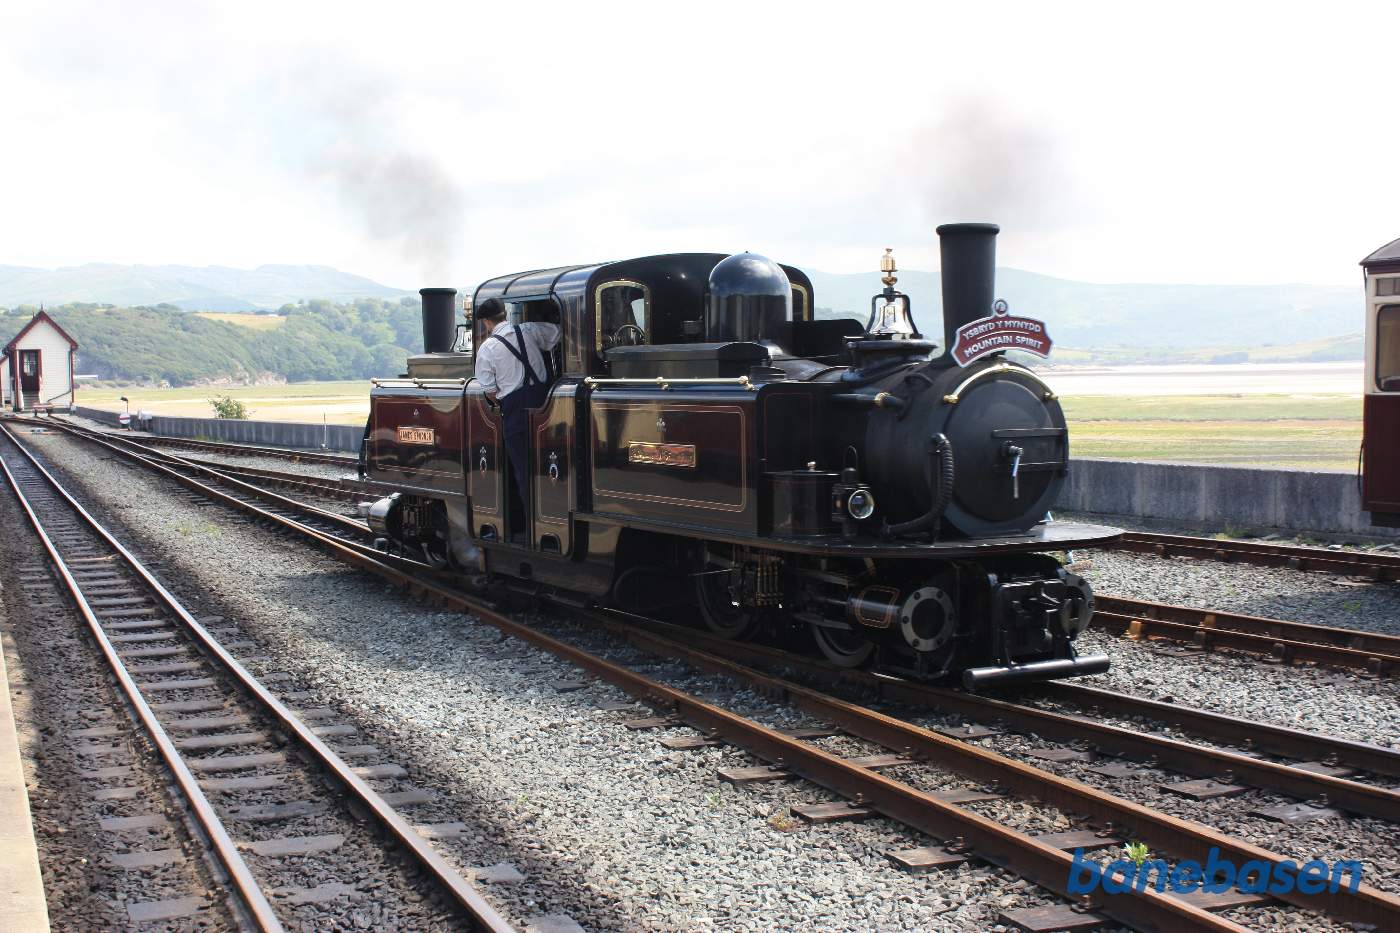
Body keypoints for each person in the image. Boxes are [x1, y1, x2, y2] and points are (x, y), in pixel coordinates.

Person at [473, 297, 561, 523]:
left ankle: (533, 520)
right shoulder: (529, 331)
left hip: (516, 412)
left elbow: (490, 391)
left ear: (486, 322)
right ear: (504, 315)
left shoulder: (488, 348)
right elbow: (557, 334)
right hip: (546, 407)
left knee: (524, 471)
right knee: (551, 467)